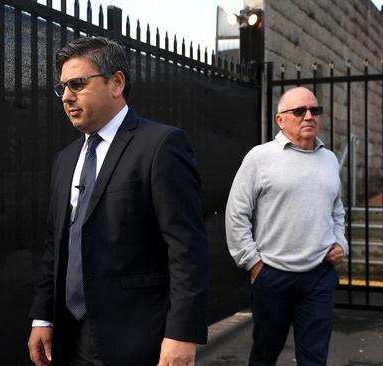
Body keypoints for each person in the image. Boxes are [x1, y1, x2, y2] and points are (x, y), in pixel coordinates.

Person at [27, 36, 209, 366]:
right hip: (71, 336)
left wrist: (182, 332)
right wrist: (43, 317)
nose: (67, 96)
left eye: (78, 84)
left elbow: (187, 248)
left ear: (117, 83)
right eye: (63, 87)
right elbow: (57, 244)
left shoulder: (161, 145)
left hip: (138, 337)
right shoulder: (65, 159)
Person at [225, 86, 347, 366]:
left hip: (319, 275)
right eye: (299, 111)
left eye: (314, 110)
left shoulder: (328, 159)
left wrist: (341, 243)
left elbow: (336, 209)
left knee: (315, 358)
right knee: (265, 354)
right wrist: (253, 263)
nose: (308, 116)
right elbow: (236, 213)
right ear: (280, 119)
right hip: (272, 275)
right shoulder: (260, 157)